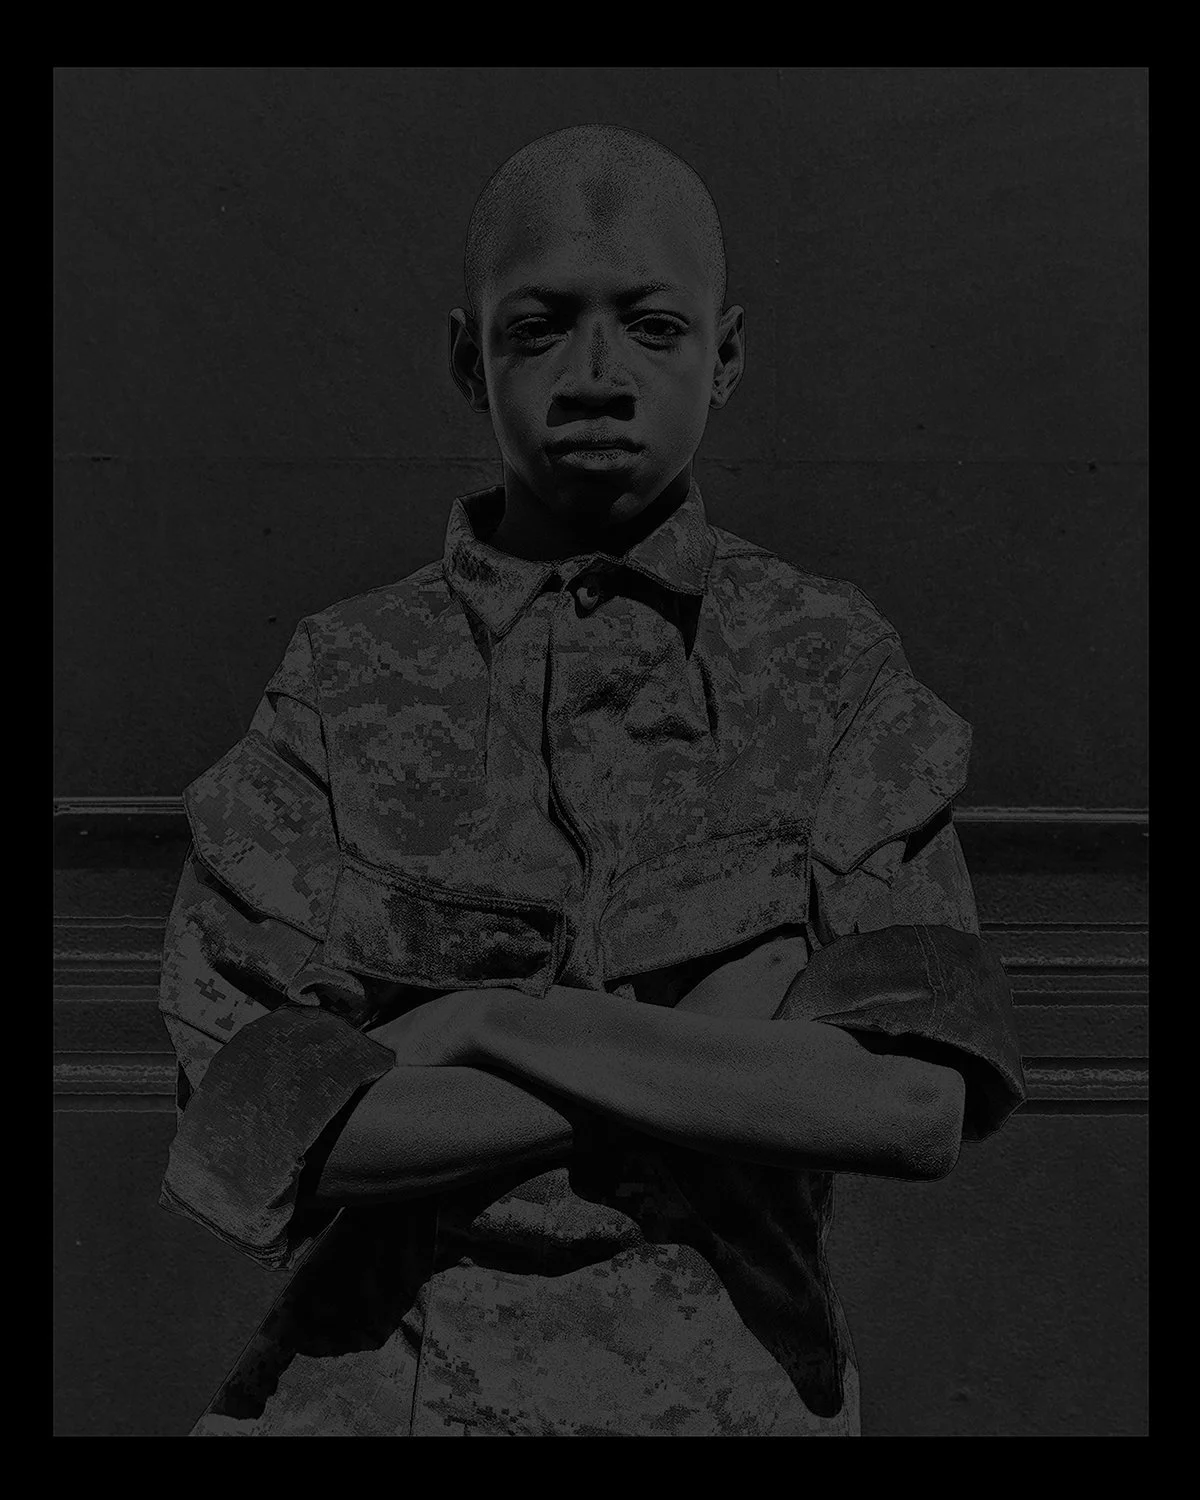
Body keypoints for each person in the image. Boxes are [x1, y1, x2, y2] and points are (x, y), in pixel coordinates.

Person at [158, 123, 1026, 1437]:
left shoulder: (829, 667)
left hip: (727, 1398)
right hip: (371, 1397)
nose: (598, 377)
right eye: (542, 327)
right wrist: (725, 1049)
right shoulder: (342, 681)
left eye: (654, 327)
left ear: (726, 355)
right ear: (470, 359)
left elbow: (913, 1103)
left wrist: (491, 1023)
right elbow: (251, 1126)